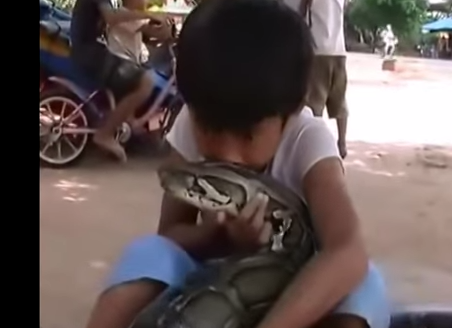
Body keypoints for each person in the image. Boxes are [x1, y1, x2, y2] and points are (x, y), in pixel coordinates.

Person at [84, 1, 390, 328]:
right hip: (216, 280)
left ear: (293, 110)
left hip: (297, 293)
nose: (227, 153)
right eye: (211, 128)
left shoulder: (308, 139)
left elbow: (347, 249)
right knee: (148, 252)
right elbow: (170, 235)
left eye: (247, 135)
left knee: (363, 283)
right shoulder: (188, 123)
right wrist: (220, 235)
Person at [70, 0, 170, 162]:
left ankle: (128, 128)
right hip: (89, 54)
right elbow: (111, 17)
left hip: (92, 51)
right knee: (146, 81)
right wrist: (148, 14)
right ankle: (105, 133)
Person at [290, 0, 350, 158]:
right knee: (339, 99)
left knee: (313, 103)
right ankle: (342, 143)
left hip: (317, 49)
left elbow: (301, 11)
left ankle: (312, 145)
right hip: (338, 50)